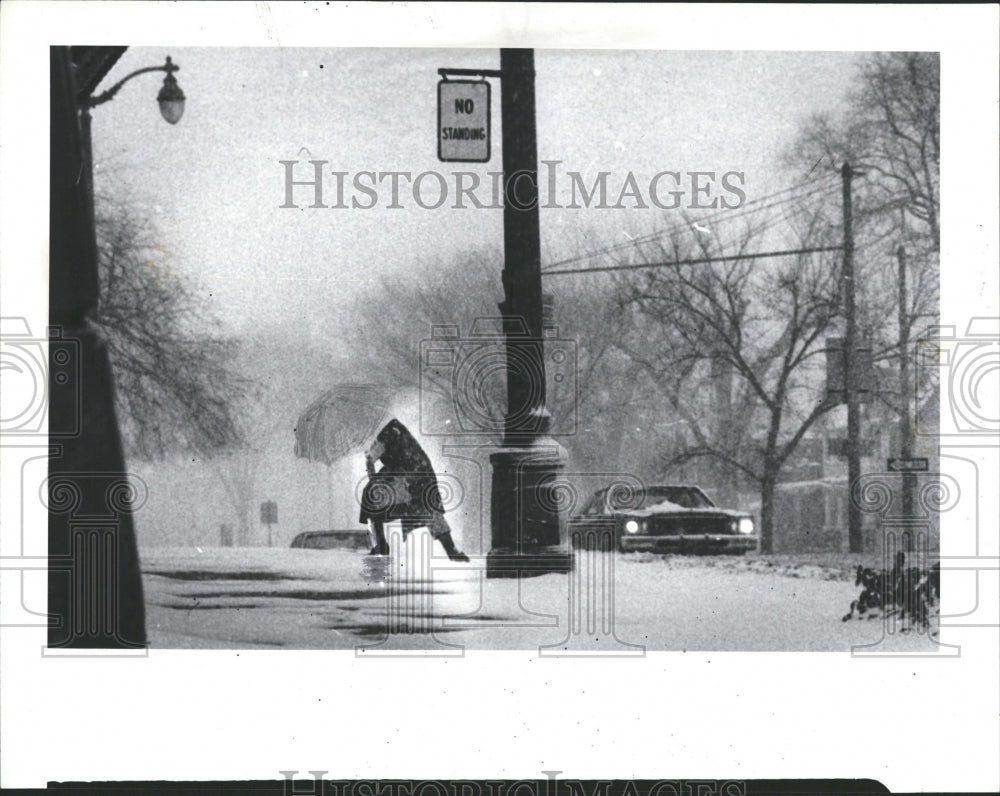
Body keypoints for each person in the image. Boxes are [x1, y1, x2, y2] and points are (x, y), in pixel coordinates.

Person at [359, 418, 469, 561]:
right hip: (421, 476)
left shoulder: (385, 435)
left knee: (370, 497)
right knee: (430, 511)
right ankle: (451, 549)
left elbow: (371, 460)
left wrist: (373, 477)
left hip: (404, 479)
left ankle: (380, 544)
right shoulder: (397, 429)